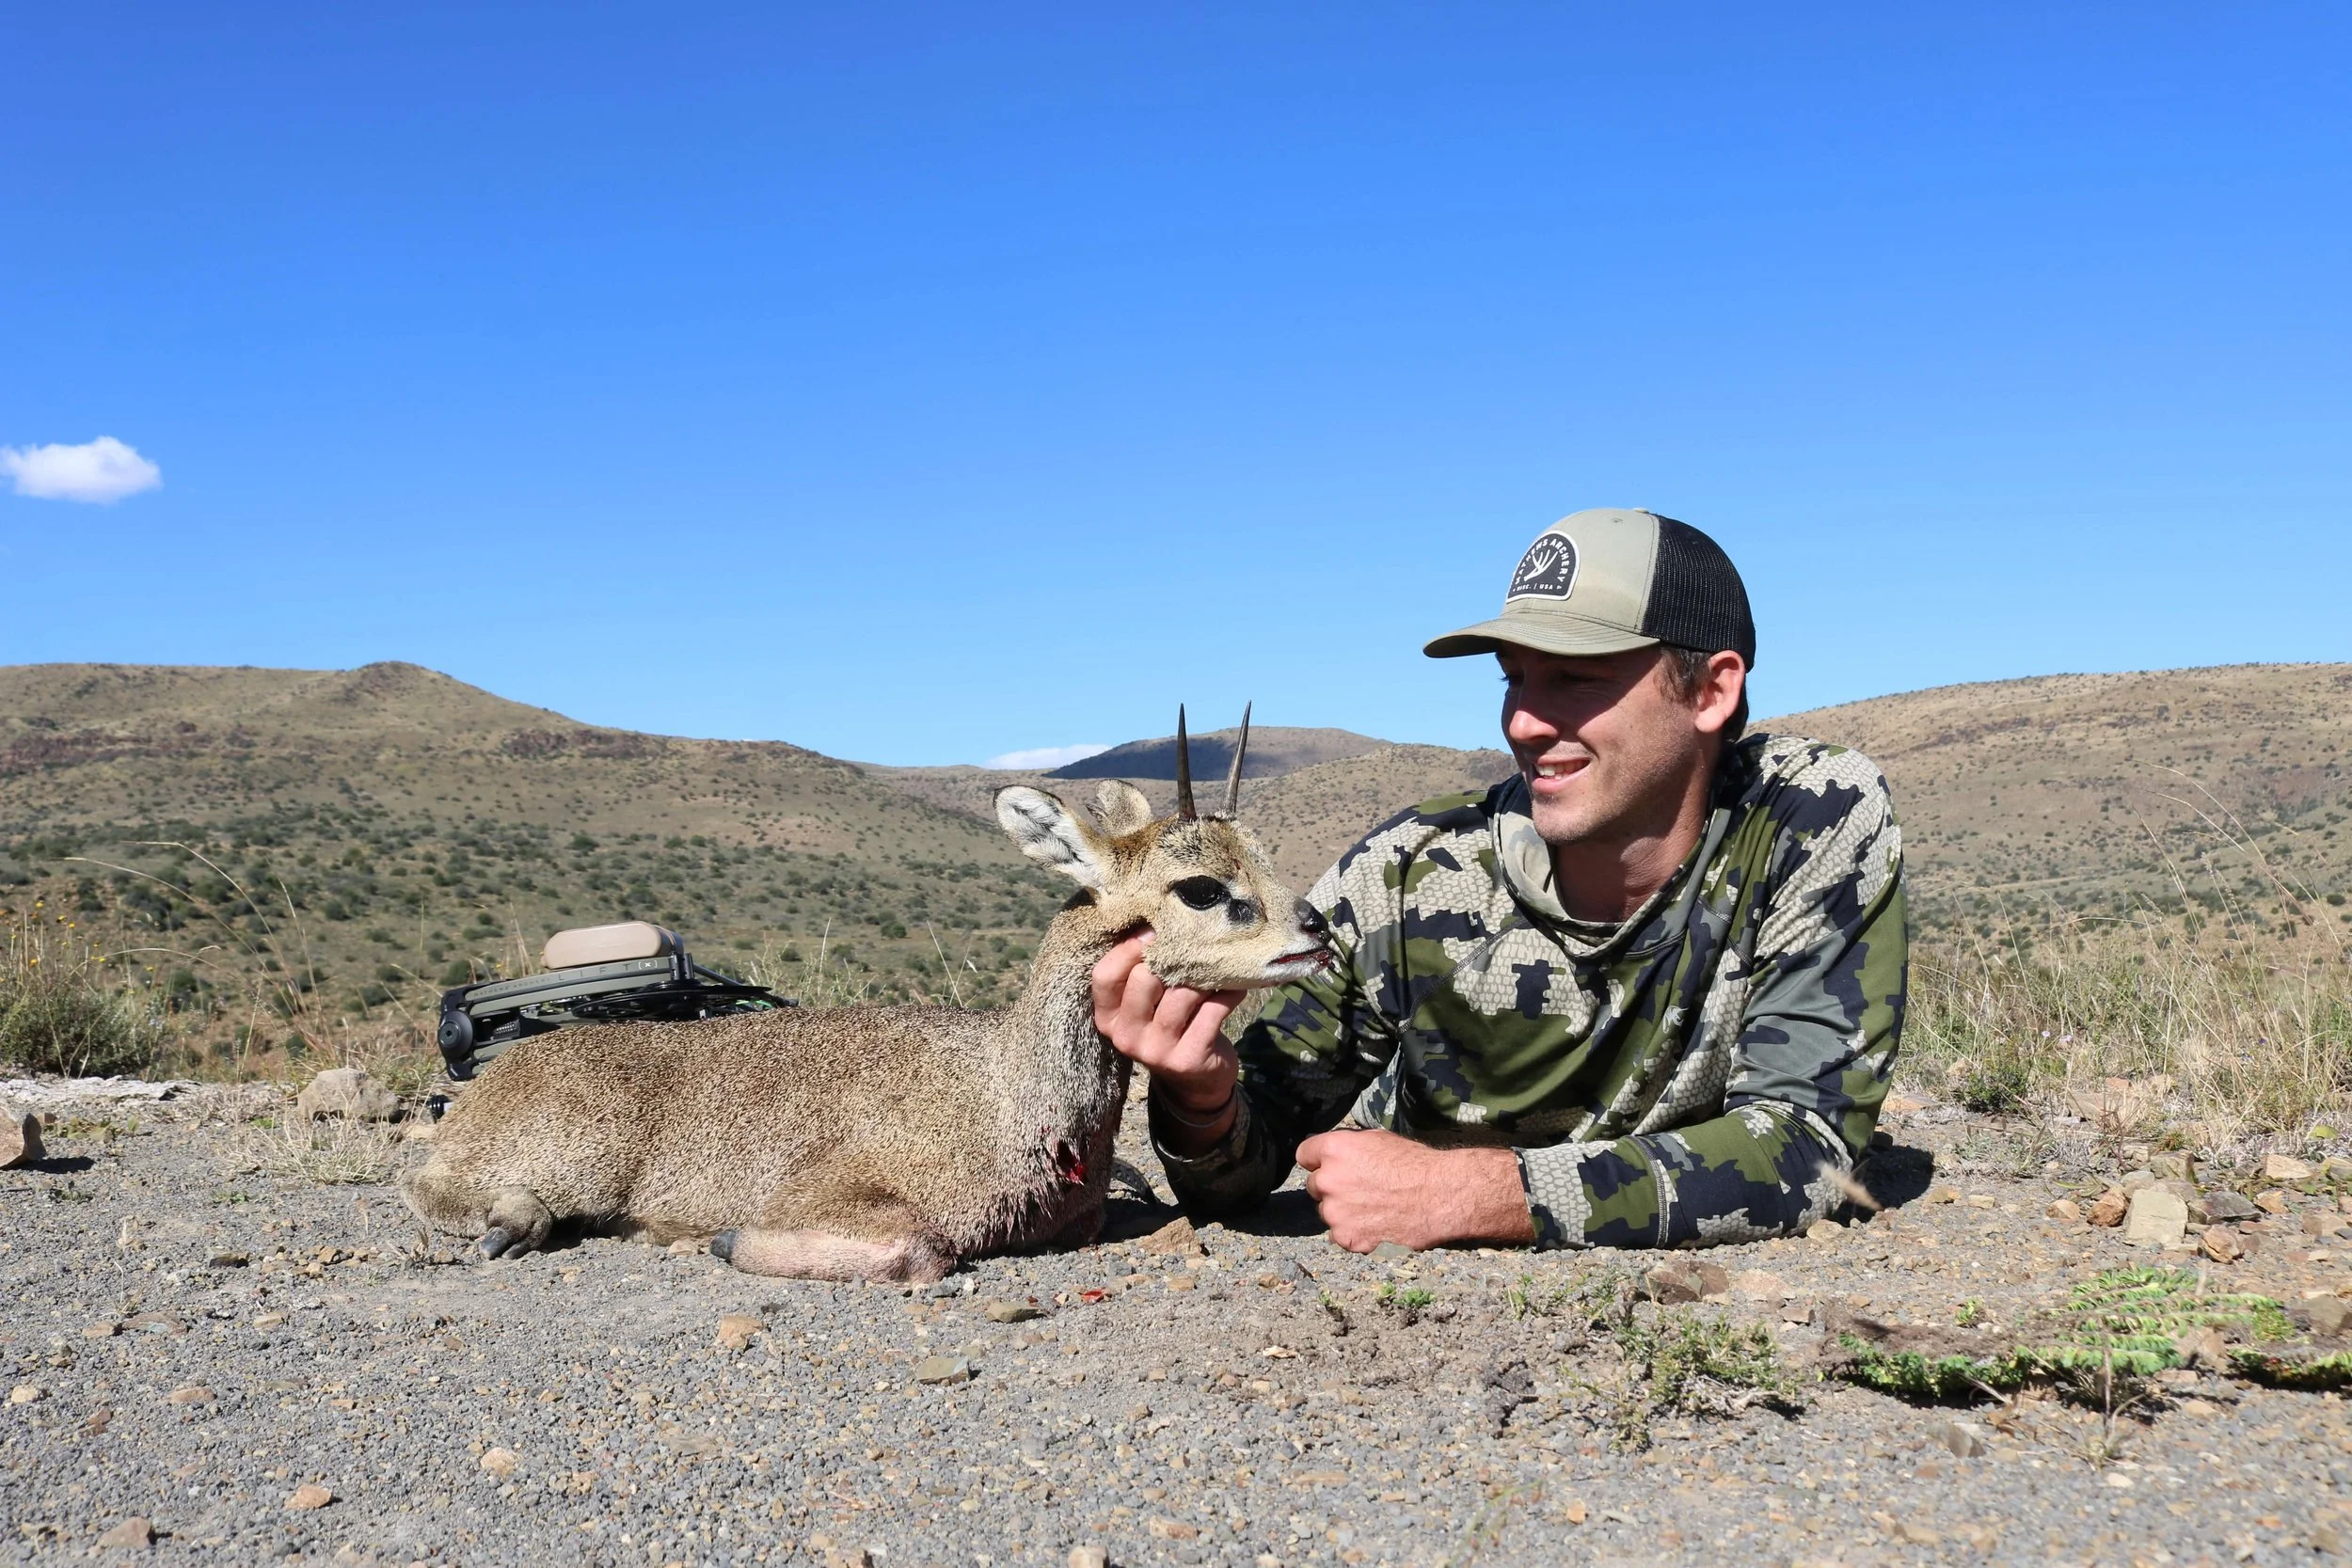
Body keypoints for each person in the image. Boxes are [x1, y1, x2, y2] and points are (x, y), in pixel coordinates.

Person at [1090, 508, 1906, 1251]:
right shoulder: (1409, 874)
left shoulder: (1810, 816)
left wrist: (1484, 1193)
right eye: (1514, 676)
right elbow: (1237, 1170)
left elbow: (1809, 1149)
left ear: (1711, 690)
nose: (1522, 720)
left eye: (1577, 677)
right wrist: (1203, 1098)